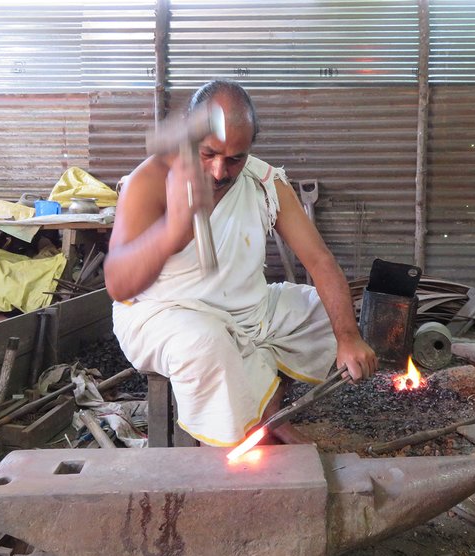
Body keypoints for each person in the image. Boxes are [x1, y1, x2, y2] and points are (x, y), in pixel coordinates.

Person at [105, 80, 376, 447]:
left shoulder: (264, 182)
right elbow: (118, 285)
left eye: (235, 158)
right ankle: (249, 434)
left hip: (251, 312)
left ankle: (265, 406)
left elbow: (319, 260)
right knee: (206, 342)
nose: (220, 172)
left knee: (323, 310)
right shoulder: (151, 180)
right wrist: (172, 230)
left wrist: (348, 337)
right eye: (208, 154)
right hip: (163, 313)